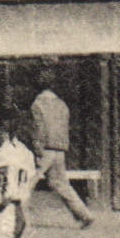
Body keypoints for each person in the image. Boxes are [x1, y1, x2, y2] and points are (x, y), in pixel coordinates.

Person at [29, 68, 95, 228]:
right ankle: (84, 214)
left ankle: (17, 218)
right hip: (60, 149)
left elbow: (39, 129)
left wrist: (37, 149)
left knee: (28, 181)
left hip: (45, 149)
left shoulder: (37, 104)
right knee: (61, 184)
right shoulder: (62, 104)